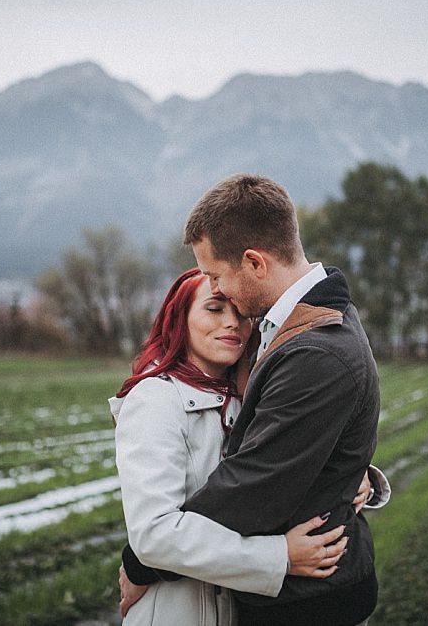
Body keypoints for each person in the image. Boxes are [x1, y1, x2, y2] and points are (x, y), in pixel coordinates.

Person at [123, 174, 383, 626]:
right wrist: (346, 471)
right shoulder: (293, 327)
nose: (217, 290)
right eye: (208, 294)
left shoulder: (314, 348)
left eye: (217, 276)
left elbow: (253, 486)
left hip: (307, 605)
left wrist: (140, 563)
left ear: (255, 263)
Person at [110, 268, 358, 625]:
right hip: (178, 610)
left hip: (237, 609)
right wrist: (279, 556)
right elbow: (154, 535)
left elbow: (278, 465)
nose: (232, 323)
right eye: (214, 309)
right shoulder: (155, 400)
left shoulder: (247, 397)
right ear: (179, 319)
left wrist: (357, 474)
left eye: (241, 314)